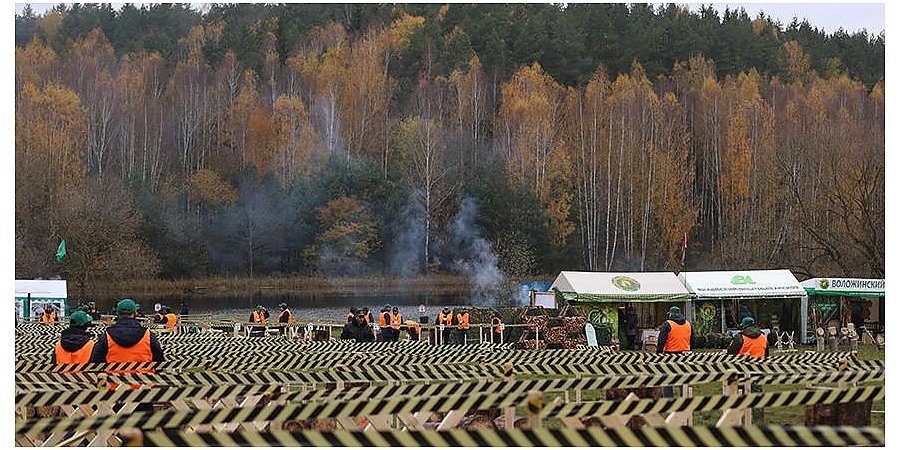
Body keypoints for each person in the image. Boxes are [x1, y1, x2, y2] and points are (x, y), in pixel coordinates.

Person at [90, 299, 165, 364]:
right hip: (145, 379)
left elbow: (96, 363)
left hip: (113, 379)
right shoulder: (148, 335)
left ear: (117, 313)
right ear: (135, 313)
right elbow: (160, 361)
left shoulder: (106, 336)